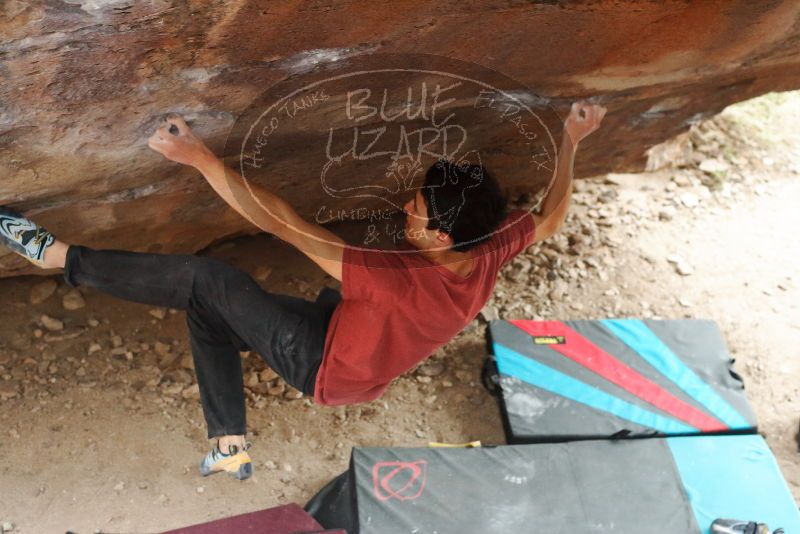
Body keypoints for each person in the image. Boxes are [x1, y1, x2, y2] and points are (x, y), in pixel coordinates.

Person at [0, 101, 606, 481]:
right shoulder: (489, 247)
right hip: (355, 349)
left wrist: (201, 158)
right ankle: (228, 444)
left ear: (443, 234)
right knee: (211, 311)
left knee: (211, 280)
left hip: (321, 364)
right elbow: (552, 216)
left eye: (417, 209)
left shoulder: (394, 283)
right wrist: (571, 140)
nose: (405, 207)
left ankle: (58, 256)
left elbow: (283, 224)